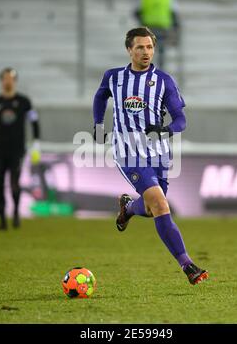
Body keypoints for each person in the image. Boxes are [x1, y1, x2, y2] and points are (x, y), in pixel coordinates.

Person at [92, 27, 208, 285]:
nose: (146, 52)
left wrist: (165, 130)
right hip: (127, 151)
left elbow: (181, 120)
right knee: (160, 204)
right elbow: (100, 96)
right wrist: (98, 125)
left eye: (150, 47)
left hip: (158, 153)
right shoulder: (114, 77)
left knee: (151, 206)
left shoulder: (164, 80)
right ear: (129, 50)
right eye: (140, 47)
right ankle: (188, 265)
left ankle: (128, 208)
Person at [0, 68, 41, 230]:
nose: (8, 81)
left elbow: (34, 123)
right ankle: (2, 220)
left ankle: (16, 215)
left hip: (17, 151)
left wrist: (36, 143)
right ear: (1, 81)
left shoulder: (24, 102)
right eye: (5, 78)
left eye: (11, 78)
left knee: (14, 183)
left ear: (15, 81)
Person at [134, 0, 180, 69]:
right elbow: (136, 11)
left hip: (163, 28)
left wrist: (175, 24)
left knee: (161, 51)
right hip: (148, 28)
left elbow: (173, 10)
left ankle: (160, 71)